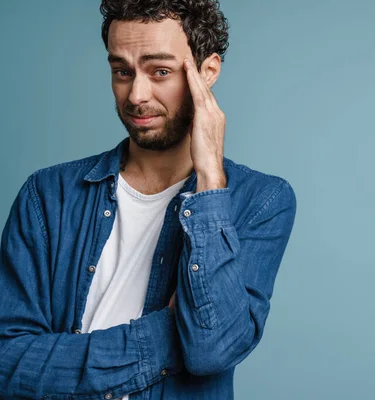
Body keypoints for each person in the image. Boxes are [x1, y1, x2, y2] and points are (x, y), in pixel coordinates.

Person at [0, 0, 296, 399]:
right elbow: (7, 362)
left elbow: (212, 350)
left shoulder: (260, 200)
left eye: (160, 71)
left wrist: (210, 180)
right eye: (122, 71)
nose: (136, 95)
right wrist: (164, 332)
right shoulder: (48, 194)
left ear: (207, 72)